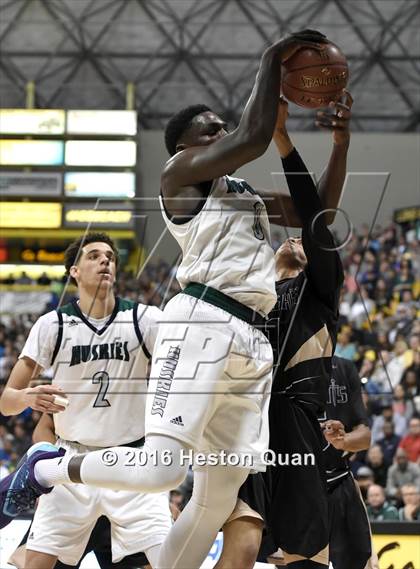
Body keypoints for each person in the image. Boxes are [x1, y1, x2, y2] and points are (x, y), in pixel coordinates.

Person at [1, 30, 328, 569]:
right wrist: (272, 59)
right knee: (163, 470)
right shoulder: (179, 176)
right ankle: (44, 469)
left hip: (253, 336)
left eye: (221, 127)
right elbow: (249, 136)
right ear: (188, 147)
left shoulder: (244, 196)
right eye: (211, 130)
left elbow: (318, 212)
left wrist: (333, 145)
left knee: (219, 495)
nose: (223, 134)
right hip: (205, 319)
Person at [216, 86, 350, 569]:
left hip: (294, 423)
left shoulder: (320, 289)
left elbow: (316, 215)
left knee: (305, 553)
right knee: (241, 544)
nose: (294, 237)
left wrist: (288, 142)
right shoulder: (246, 294)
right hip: (245, 422)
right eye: (286, 236)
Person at [0, 232, 172, 569]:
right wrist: (25, 396)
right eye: (93, 255)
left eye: (109, 256)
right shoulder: (52, 325)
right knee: (34, 563)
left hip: (132, 459)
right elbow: (6, 402)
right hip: (72, 460)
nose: (104, 260)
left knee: (168, 560)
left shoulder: (146, 319)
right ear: (74, 271)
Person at [8, 414, 150, 569]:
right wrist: (54, 471)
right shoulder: (74, 396)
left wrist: (161, 492)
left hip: (123, 485)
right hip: (75, 484)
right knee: (28, 559)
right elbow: (42, 429)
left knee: (155, 558)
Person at [322, 356, 373, 569]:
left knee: (361, 559)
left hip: (338, 479)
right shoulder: (280, 362)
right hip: (293, 483)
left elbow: (365, 436)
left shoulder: (343, 368)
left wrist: (343, 441)